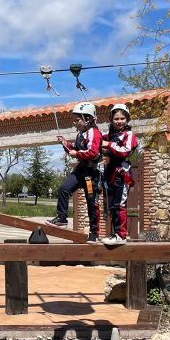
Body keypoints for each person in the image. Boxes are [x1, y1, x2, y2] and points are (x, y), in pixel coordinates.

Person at [46, 102, 103, 243]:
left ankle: (94, 233)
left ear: (88, 119)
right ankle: (62, 218)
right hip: (80, 171)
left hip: (91, 174)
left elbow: (92, 152)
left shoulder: (94, 133)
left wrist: (76, 153)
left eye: (77, 120)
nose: (74, 123)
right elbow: (75, 149)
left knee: (92, 203)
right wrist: (65, 143)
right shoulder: (80, 134)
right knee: (64, 188)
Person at [100, 103, 138, 245]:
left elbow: (125, 151)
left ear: (127, 119)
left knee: (119, 204)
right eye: (116, 119)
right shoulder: (110, 135)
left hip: (122, 173)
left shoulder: (129, 135)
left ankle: (121, 236)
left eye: (122, 118)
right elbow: (99, 140)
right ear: (111, 120)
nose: (119, 121)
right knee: (112, 205)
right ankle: (115, 234)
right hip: (110, 173)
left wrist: (108, 145)